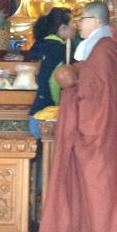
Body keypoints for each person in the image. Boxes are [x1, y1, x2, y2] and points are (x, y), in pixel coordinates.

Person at [38, 1, 117, 232]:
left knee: (97, 184)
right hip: (106, 130)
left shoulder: (102, 52)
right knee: (101, 183)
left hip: (97, 132)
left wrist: (69, 87)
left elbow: (91, 97)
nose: (78, 24)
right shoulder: (107, 48)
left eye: (82, 20)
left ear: (96, 22)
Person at [27, 7, 72, 140]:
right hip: (48, 118)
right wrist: (58, 106)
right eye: (73, 24)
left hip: (35, 113)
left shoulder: (37, 46)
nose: (76, 28)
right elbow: (53, 81)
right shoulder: (59, 50)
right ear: (62, 28)